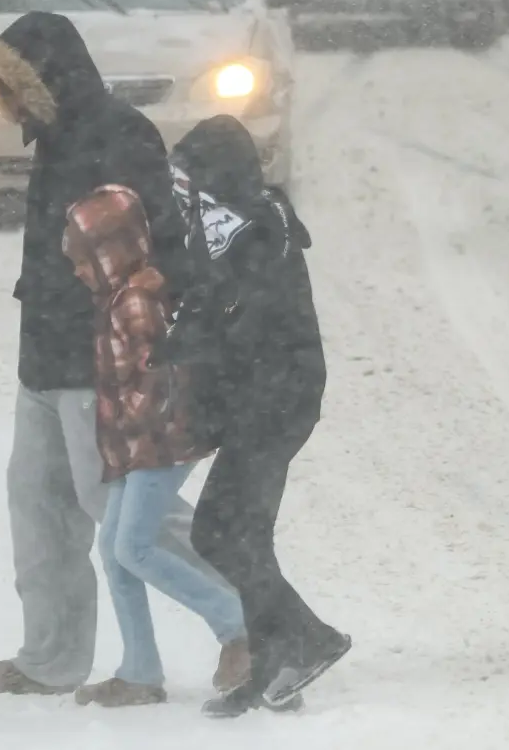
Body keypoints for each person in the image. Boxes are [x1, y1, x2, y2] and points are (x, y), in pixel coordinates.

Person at [0, 13, 240, 698]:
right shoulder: (52, 138)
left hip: (100, 361)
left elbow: (159, 247)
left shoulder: (119, 132)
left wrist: (148, 348)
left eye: (10, 87)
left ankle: (255, 619)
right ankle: (49, 659)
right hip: (44, 361)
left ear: (47, 79)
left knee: (130, 520)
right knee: (40, 508)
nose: (4, 105)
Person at [173, 117, 351, 718]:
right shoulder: (243, 220)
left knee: (217, 532)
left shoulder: (246, 230)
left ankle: (311, 639)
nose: (188, 188)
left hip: (274, 399)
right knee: (243, 533)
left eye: (194, 174)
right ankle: (274, 666)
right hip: (268, 396)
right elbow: (217, 311)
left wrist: (188, 349)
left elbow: (241, 323)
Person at [63, 186, 247, 707]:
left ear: (108, 253)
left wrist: (142, 437)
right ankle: (140, 670)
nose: (78, 271)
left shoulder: (137, 302)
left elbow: (165, 380)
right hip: (137, 449)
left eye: (83, 260)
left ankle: (237, 625)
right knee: (116, 553)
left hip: (161, 446)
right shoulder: (120, 298)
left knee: (135, 547)